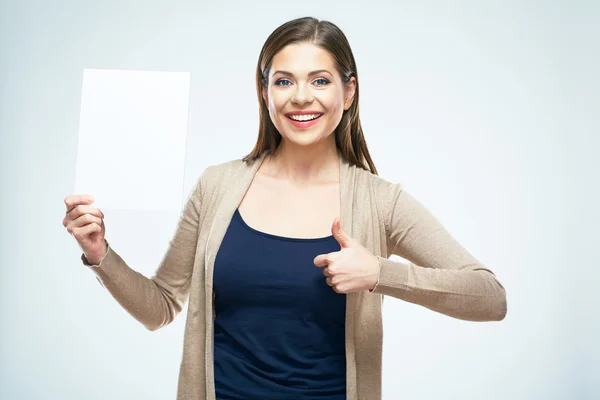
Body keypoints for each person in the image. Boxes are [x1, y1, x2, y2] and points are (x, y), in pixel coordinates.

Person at [62, 16, 507, 400]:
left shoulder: (380, 200)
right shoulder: (217, 186)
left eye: (320, 80)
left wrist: (379, 274)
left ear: (348, 92)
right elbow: (159, 307)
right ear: (264, 91)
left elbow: (490, 298)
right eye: (284, 80)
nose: (300, 97)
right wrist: (100, 253)